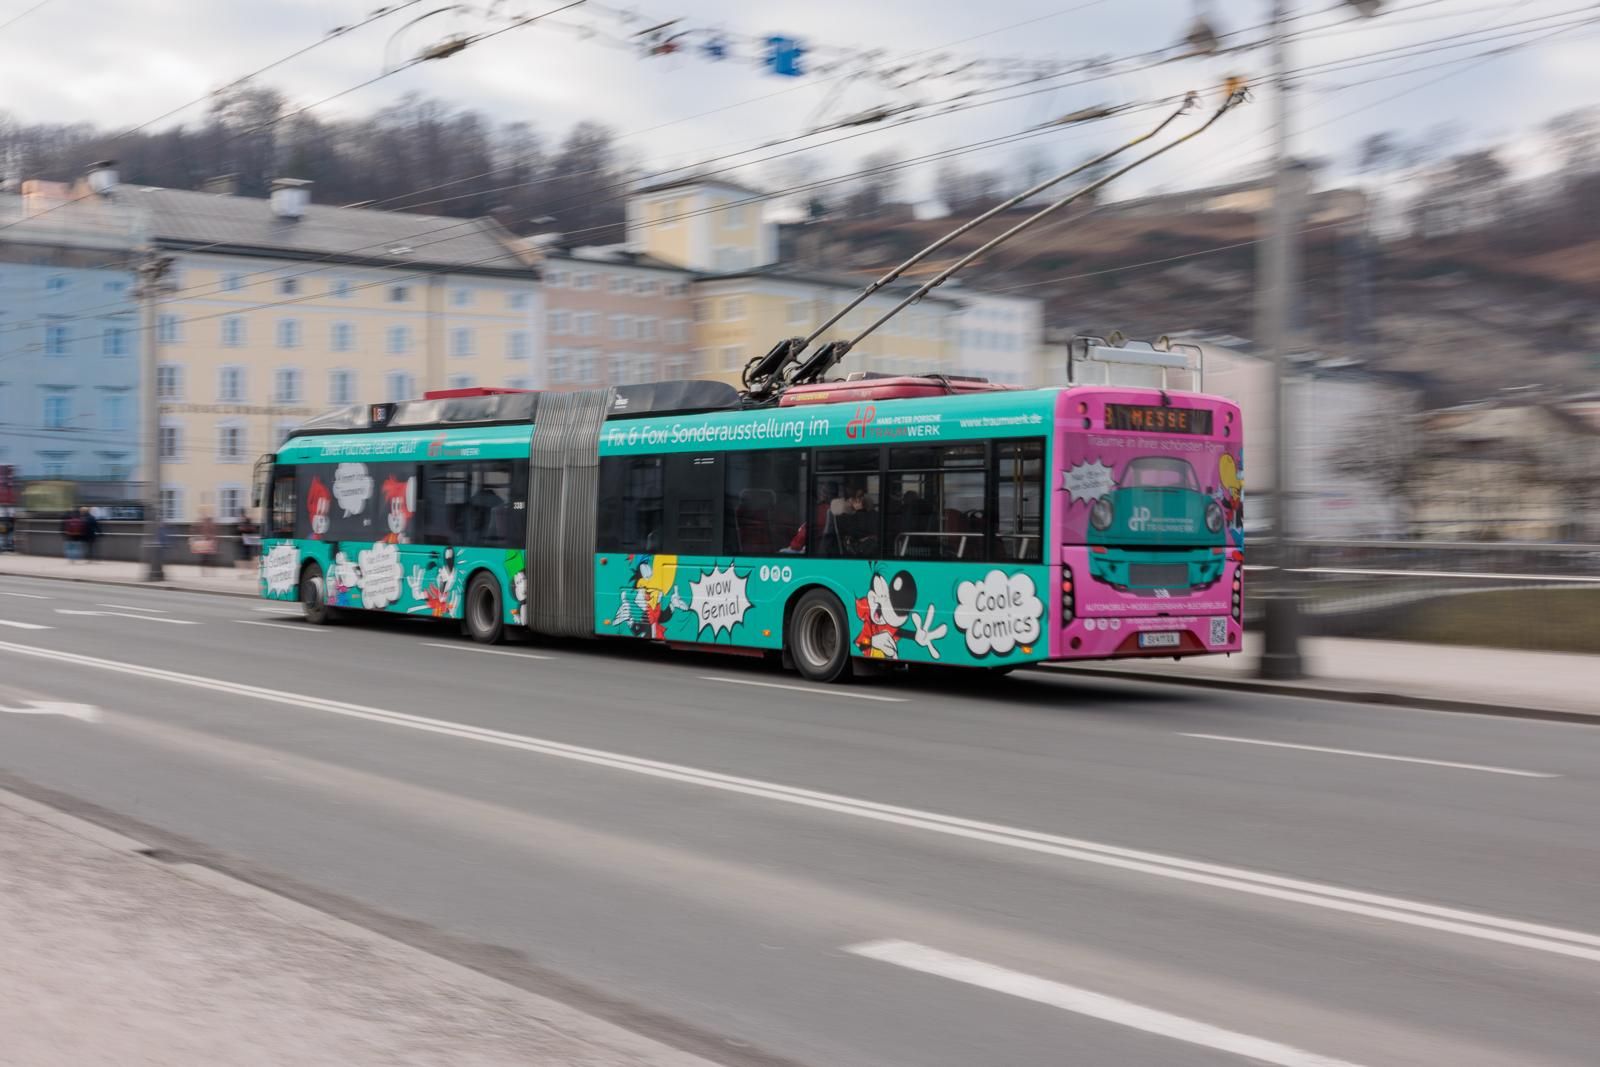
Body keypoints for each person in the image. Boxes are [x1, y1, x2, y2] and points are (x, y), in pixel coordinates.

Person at [191, 509, 219, 575]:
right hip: (204, 542)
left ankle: (209, 571)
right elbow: (194, 528)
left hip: (209, 541)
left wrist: (214, 539)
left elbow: (214, 531)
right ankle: (204, 571)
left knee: (209, 556)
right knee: (204, 556)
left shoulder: (210, 522)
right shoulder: (202, 522)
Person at [235, 510, 260, 576]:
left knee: (253, 557)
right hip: (244, 542)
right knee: (244, 558)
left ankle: (254, 571)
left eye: (241, 515)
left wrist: (243, 529)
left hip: (250, 542)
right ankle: (243, 572)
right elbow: (239, 531)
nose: (241, 517)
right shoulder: (241, 522)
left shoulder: (247, 521)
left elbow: (253, 529)